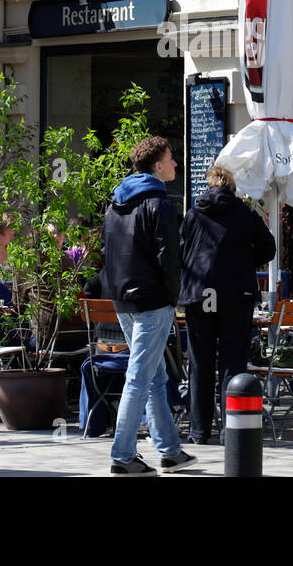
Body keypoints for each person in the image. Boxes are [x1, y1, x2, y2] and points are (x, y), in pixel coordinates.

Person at [99, 135, 195, 476]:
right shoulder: (160, 203)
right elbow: (169, 259)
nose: (175, 164)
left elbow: (106, 254)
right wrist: (174, 298)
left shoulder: (115, 203)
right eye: (171, 158)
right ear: (157, 165)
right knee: (140, 378)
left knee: (153, 376)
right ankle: (122, 456)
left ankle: (169, 451)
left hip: (123, 298)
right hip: (153, 300)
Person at [179, 165, 276, 445]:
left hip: (199, 294)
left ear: (208, 186)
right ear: (233, 188)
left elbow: (181, 251)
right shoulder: (245, 214)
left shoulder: (194, 213)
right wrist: (244, 261)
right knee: (233, 362)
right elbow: (268, 248)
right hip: (236, 295)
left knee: (200, 362)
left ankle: (199, 431)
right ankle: (230, 429)